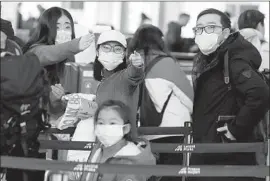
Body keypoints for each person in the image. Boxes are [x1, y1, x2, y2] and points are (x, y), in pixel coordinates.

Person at [189, 8, 269, 181]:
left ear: (225, 33)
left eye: (210, 27)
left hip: (228, 156)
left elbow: (260, 93)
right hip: (210, 150)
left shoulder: (233, 59)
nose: (203, 32)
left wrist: (236, 128)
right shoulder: (209, 59)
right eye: (199, 28)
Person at [128, 24, 193, 181]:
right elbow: (190, 98)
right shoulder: (166, 63)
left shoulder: (134, 64)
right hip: (174, 133)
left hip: (147, 132)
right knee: (172, 176)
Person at [23, 7, 95, 118]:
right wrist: (76, 45)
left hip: (54, 122)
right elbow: (50, 53)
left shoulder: (69, 57)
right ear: (46, 29)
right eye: (57, 27)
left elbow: (59, 106)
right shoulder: (35, 51)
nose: (63, 31)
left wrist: (57, 99)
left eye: (67, 26)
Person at [69, 100, 156, 181]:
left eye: (112, 123)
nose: (105, 127)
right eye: (101, 123)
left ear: (125, 128)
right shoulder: (98, 149)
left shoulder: (131, 157)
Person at [93, 30, 144, 139]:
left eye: (117, 49)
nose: (111, 52)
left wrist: (136, 65)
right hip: (104, 141)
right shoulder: (103, 80)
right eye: (106, 48)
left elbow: (134, 75)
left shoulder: (124, 77)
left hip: (125, 142)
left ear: (124, 54)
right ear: (97, 51)